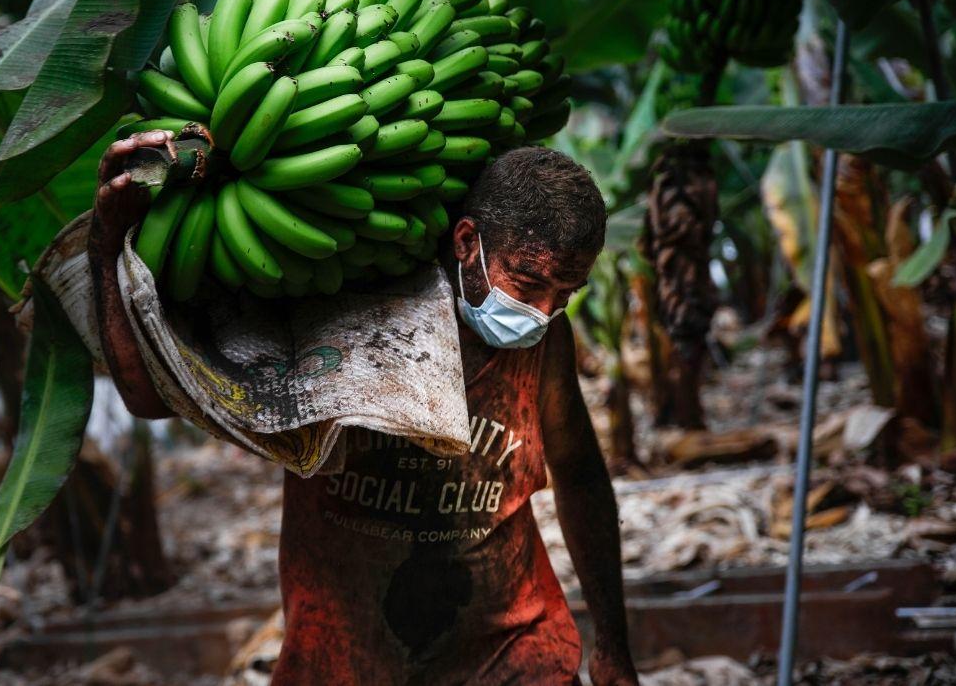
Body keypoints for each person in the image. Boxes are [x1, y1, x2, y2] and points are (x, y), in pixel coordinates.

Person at [91, 135, 638, 685]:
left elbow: (580, 474)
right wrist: (108, 237)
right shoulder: (338, 309)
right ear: (468, 241)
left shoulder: (546, 344)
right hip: (344, 660)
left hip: (515, 654)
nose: (542, 313)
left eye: (565, 294)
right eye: (528, 283)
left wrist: (613, 645)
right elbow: (147, 398)